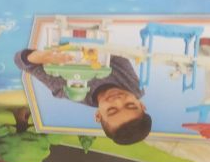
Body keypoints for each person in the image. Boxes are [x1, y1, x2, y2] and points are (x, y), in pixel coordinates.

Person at [15, 48, 152, 145]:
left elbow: (21, 61)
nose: (117, 100)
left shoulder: (66, 89)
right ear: (141, 104)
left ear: (98, 116)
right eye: (130, 105)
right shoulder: (135, 88)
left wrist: (39, 57)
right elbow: (119, 56)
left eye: (111, 110)